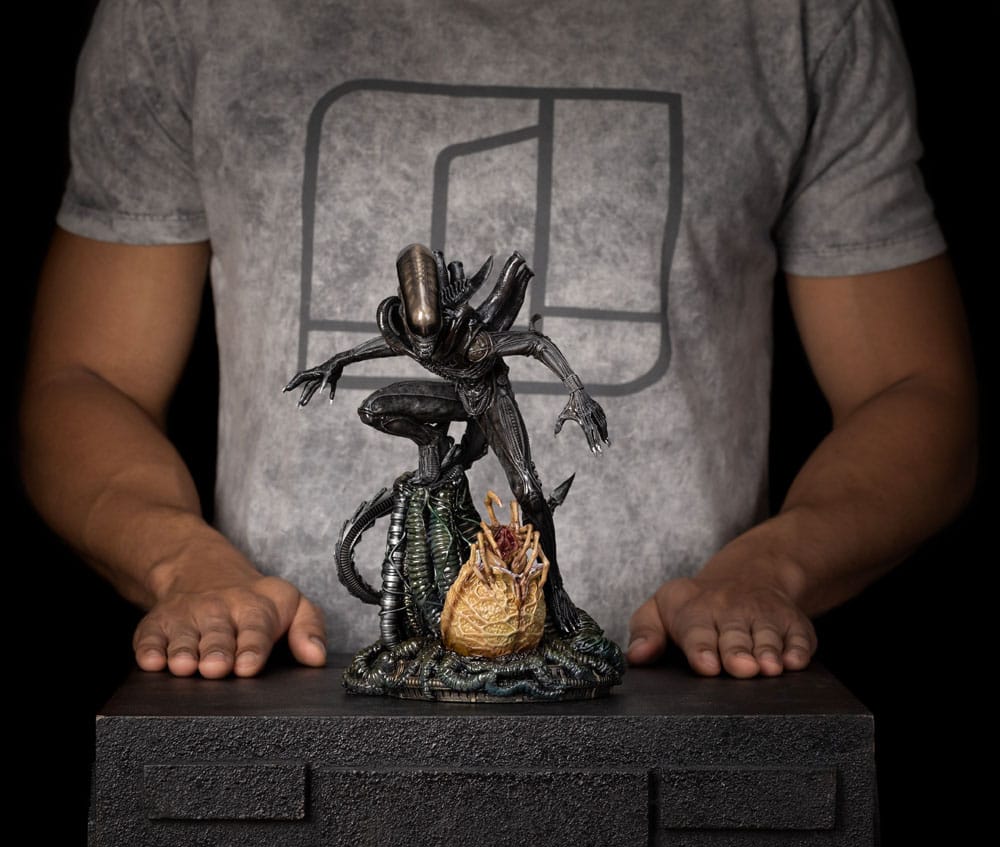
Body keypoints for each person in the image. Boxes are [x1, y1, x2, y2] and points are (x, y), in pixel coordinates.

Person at [20, 0, 976, 682]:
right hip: (285, 708)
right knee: (407, 435)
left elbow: (914, 388)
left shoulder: (803, 15)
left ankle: (548, 614)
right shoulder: (181, 13)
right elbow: (87, 377)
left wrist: (770, 571)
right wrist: (184, 565)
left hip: (670, 709)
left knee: (525, 492)